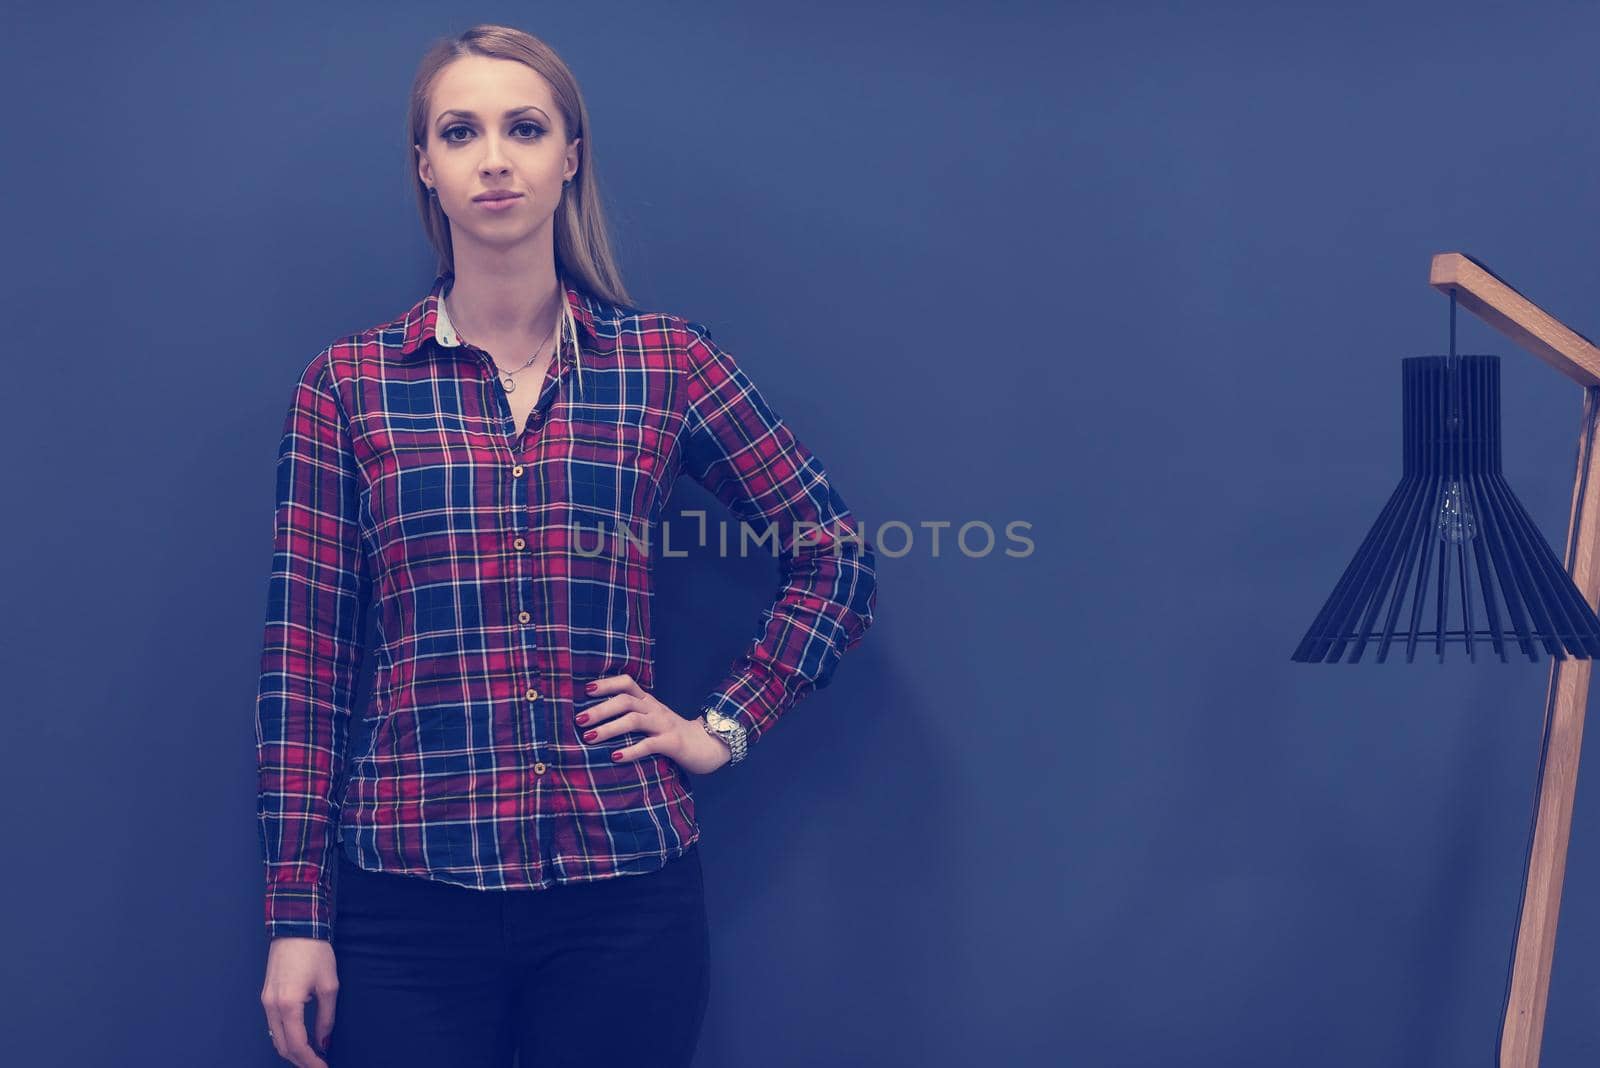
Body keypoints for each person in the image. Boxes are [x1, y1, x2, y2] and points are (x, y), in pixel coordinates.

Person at [253, 23, 879, 1068]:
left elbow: (835, 556)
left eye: (524, 127)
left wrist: (720, 727)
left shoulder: (664, 364)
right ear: (427, 167)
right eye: (460, 131)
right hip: (408, 898)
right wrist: (294, 915)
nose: (494, 156)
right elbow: (305, 664)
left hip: (622, 895)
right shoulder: (347, 387)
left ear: (569, 155)